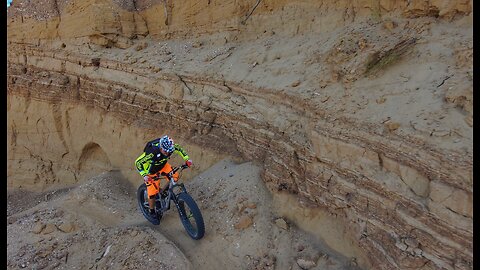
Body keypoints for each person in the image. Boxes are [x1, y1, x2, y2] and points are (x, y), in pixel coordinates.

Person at [135, 135, 193, 224]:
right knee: (152, 193)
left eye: (169, 152)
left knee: (175, 176)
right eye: (165, 152)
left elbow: (179, 149)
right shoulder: (152, 152)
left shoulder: (170, 148)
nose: (167, 154)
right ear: (161, 147)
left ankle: (163, 192)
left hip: (163, 166)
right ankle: (152, 211)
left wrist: (187, 159)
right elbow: (138, 162)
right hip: (151, 172)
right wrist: (144, 175)